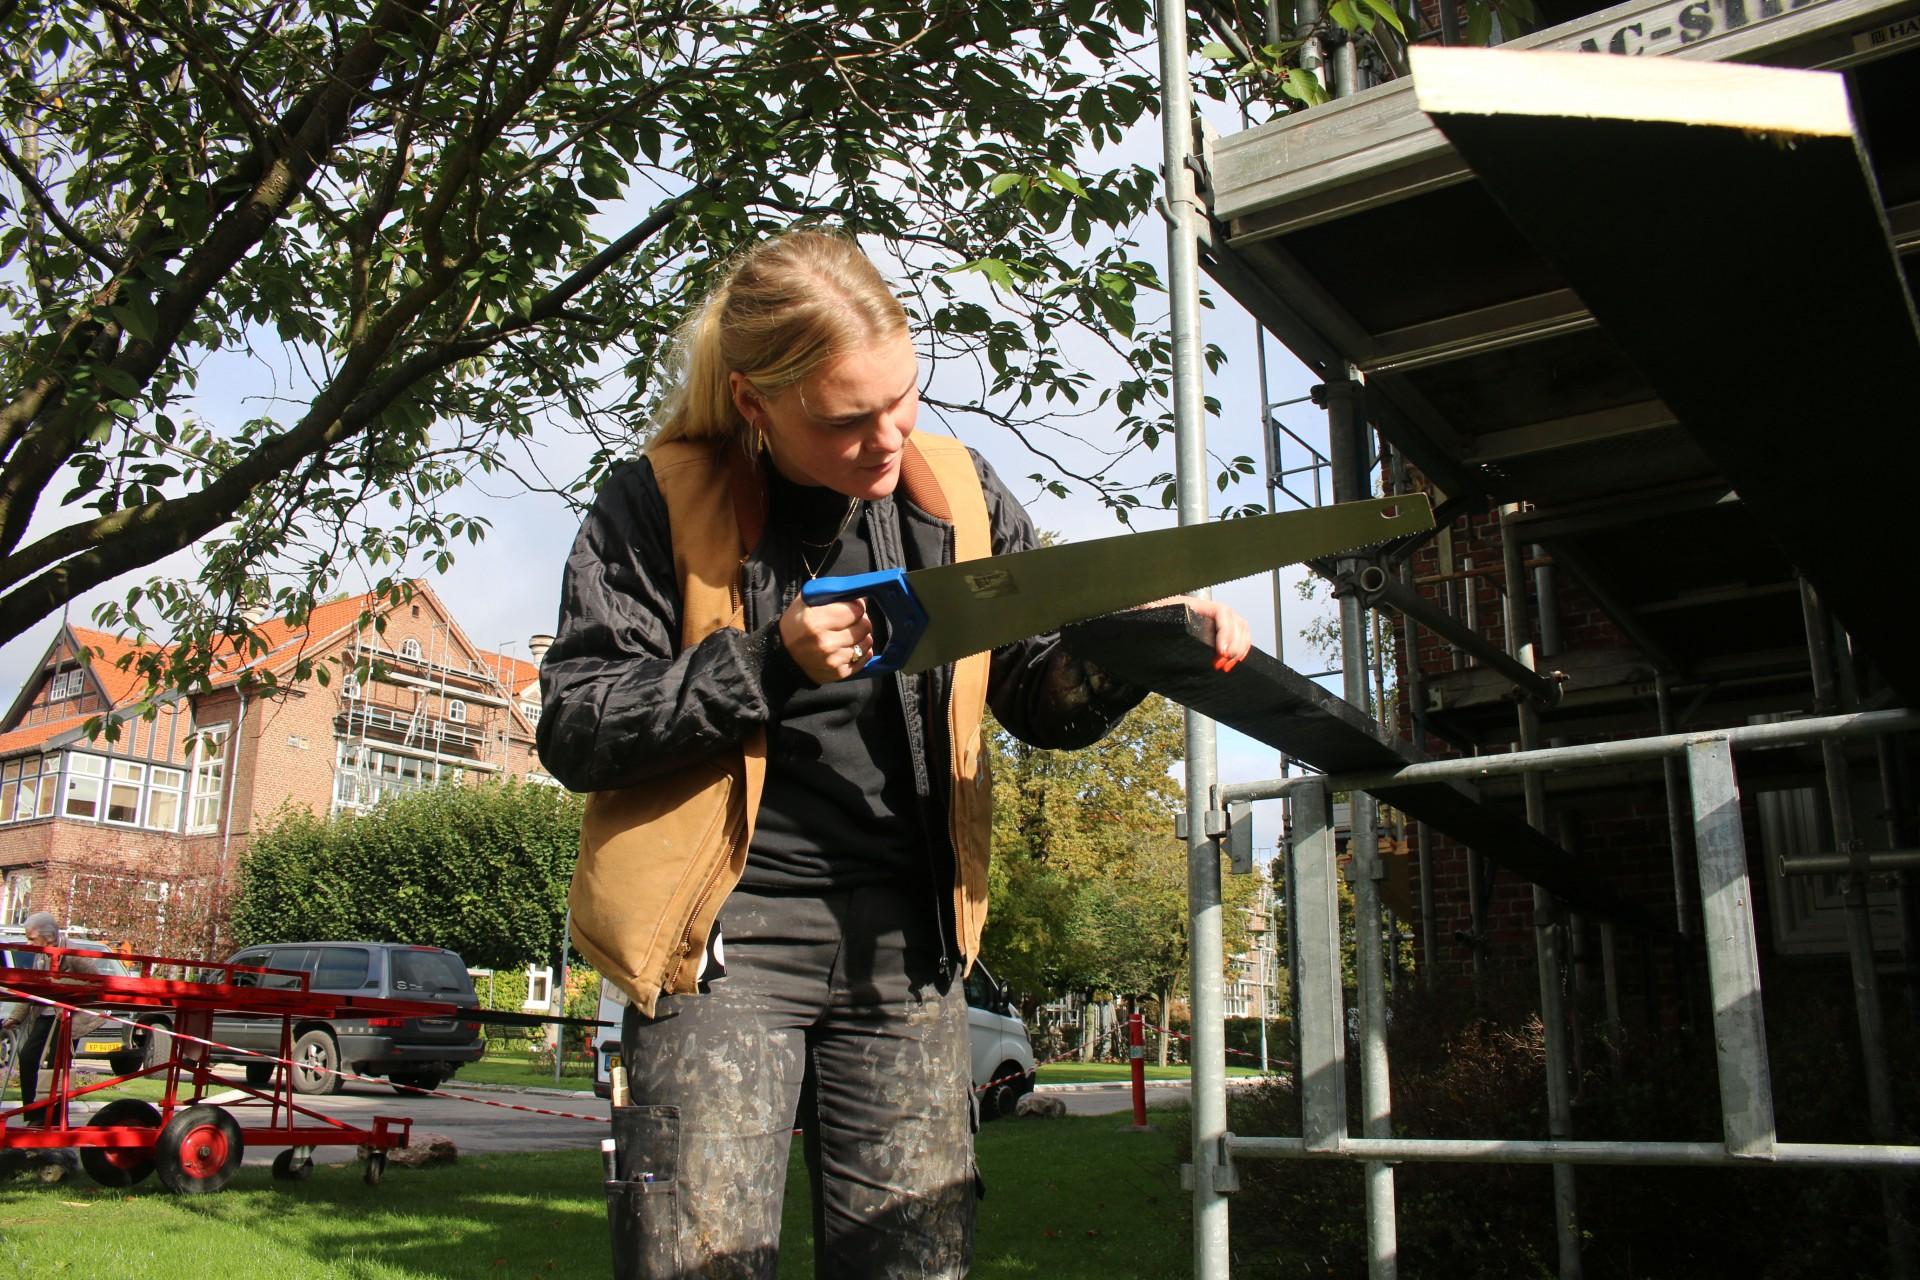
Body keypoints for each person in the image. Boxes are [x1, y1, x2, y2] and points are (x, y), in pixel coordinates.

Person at [537, 227, 1249, 1278]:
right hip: (723, 955)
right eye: (847, 418)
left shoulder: (956, 494)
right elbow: (577, 722)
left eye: (904, 397)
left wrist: (1135, 639)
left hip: (910, 956)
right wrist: (765, 665)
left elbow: (1038, 694)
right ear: (753, 404)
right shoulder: (653, 500)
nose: (888, 436)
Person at [2, 911, 67, 1123]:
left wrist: (62, 992)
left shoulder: (72, 952)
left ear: (48, 937)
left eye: (31, 938)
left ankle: (53, 1115)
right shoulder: (40, 955)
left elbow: (92, 979)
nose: (28, 942)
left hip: (65, 1016)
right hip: (45, 1014)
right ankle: (33, 1112)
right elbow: (31, 990)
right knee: (28, 1056)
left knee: (56, 1065)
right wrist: (16, 1017)